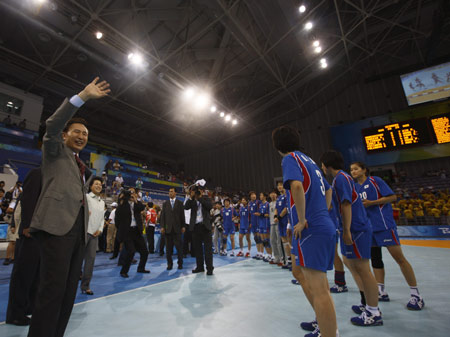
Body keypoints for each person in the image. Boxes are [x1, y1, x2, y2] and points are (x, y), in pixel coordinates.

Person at [27, 77, 110, 337]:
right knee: (51, 292)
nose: (82, 136)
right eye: (76, 132)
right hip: (56, 230)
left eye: (85, 134)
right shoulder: (54, 150)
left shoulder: (79, 164)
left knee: (66, 294)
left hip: (77, 234)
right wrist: (83, 96)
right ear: (65, 134)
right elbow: (51, 125)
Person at [272, 126, 338, 337]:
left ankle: (329, 332)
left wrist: (302, 219)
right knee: (298, 272)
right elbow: (328, 189)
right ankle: (322, 320)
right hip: (319, 224)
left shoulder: (290, 158)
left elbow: (298, 187)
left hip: (311, 228)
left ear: (277, 145)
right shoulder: (309, 160)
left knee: (320, 288)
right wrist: (322, 212)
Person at [351, 161, 424, 310]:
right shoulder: (355, 188)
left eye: (356, 169)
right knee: (376, 260)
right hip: (368, 228)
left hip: (383, 225)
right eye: (351, 170)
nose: (353, 171)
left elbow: (392, 197)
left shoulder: (375, 181)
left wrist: (373, 202)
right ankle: (381, 291)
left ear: (364, 170)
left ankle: (416, 295)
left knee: (399, 259)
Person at [321, 150, 382, 327]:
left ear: (327, 164)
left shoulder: (341, 178)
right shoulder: (341, 179)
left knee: (363, 268)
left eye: (323, 164)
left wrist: (346, 230)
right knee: (355, 265)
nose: (322, 167)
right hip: (353, 228)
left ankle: (373, 312)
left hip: (357, 228)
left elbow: (346, 204)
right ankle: (367, 304)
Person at [6, 167, 41, 326]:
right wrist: (27, 225)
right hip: (30, 233)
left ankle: (28, 307)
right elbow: (27, 200)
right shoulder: (37, 173)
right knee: (23, 275)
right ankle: (15, 313)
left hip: (42, 234)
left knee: (35, 275)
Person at [115, 187, 149, 277]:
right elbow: (117, 219)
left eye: (133, 192)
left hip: (136, 231)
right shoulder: (123, 204)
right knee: (131, 251)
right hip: (127, 232)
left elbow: (142, 207)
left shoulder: (137, 204)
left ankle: (141, 268)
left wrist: (136, 200)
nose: (131, 194)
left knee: (145, 251)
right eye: (130, 193)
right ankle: (123, 271)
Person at [80, 177, 105, 295]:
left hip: (95, 235)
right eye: (96, 184)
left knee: (90, 262)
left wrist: (100, 230)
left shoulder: (102, 202)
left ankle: (85, 286)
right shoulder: (86, 198)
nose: (99, 186)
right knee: (77, 261)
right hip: (84, 233)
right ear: (90, 186)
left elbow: (102, 219)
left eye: (100, 184)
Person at [185, 185, 213, 275]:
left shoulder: (206, 198)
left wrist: (200, 197)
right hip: (196, 227)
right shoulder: (192, 200)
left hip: (205, 227)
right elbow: (186, 207)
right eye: (196, 191)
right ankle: (200, 267)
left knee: (208, 249)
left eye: (199, 190)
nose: (198, 192)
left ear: (202, 191)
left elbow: (209, 206)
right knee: (198, 249)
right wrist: (191, 197)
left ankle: (209, 268)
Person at [160, 188, 185, 270]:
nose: (170, 193)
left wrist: (183, 226)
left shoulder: (180, 203)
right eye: (169, 191)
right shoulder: (165, 204)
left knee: (179, 248)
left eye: (171, 191)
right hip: (168, 230)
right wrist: (162, 226)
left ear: (175, 193)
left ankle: (180, 263)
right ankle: (169, 264)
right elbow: (163, 216)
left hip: (177, 229)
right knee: (168, 249)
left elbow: (182, 216)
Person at [274, 182, 291, 267]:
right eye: (278, 186)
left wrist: (279, 217)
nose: (279, 187)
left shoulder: (287, 196)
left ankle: (293, 261)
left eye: (281, 185)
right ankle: (288, 260)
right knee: (284, 241)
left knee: (289, 240)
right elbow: (276, 208)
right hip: (280, 222)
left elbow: (286, 209)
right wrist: (275, 216)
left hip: (287, 221)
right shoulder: (279, 198)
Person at [256, 192, 272, 262]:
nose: (260, 196)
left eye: (261, 195)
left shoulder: (268, 204)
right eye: (260, 195)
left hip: (266, 224)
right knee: (263, 240)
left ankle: (271, 255)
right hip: (261, 224)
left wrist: (260, 214)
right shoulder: (260, 205)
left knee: (267, 240)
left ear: (265, 196)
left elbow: (269, 215)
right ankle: (268, 254)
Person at [269, 190, 283, 265]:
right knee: (272, 241)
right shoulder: (270, 204)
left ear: (276, 195)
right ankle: (276, 257)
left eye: (274, 193)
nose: (272, 195)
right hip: (271, 224)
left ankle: (282, 258)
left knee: (279, 241)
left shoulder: (279, 202)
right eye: (271, 193)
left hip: (278, 223)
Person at [248, 192, 261, 259]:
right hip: (253, 223)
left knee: (259, 238)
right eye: (252, 195)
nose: (254, 196)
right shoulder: (249, 203)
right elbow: (249, 214)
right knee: (256, 238)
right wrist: (250, 222)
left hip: (258, 222)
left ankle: (261, 253)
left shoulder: (258, 202)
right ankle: (258, 253)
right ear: (250, 196)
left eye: (254, 194)